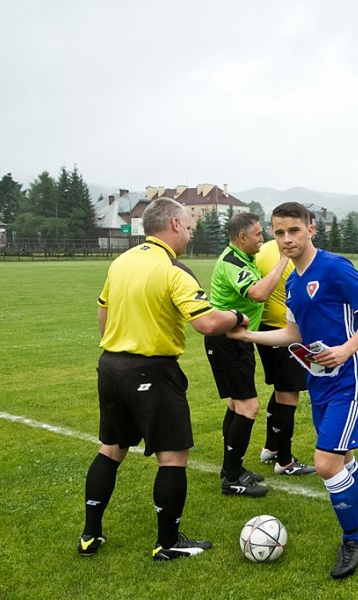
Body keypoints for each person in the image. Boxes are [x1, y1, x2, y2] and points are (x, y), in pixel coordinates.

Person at [79, 198, 245, 561]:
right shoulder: (174, 269)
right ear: (172, 224)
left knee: (110, 449)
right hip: (151, 370)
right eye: (187, 226)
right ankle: (168, 542)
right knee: (173, 457)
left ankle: (91, 534)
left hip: (110, 366)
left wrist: (117, 343)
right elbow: (206, 323)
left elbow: (102, 308)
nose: (189, 232)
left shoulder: (121, 261)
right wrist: (235, 316)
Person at [229, 202, 358, 579]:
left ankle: (352, 540)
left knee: (325, 462)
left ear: (310, 229)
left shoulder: (334, 267)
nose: (287, 239)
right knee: (342, 458)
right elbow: (294, 334)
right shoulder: (294, 282)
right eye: (279, 232)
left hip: (351, 378)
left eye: (294, 231)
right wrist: (247, 334)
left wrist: (347, 349)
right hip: (319, 380)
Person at [205, 212, 310, 501]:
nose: (261, 239)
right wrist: (284, 261)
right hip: (228, 339)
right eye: (257, 235)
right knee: (248, 407)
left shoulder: (242, 257)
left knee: (235, 404)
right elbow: (259, 293)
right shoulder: (232, 261)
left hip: (234, 338)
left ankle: (232, 470)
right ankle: (232, 476)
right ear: (242, 237)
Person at [254, 235, 315, 476]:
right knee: (288, 397)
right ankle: (285, 461)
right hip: (285, 332)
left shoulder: (262, 251)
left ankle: (271, 447)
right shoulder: (294, 254)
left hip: (265, 329)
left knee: (281, 390)